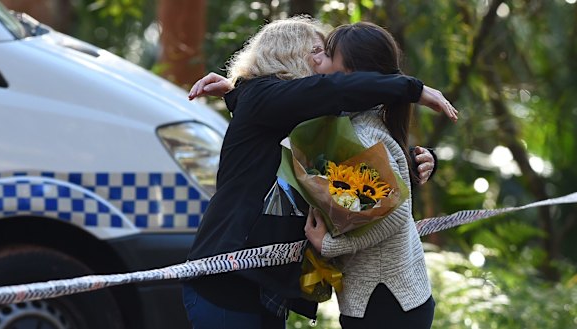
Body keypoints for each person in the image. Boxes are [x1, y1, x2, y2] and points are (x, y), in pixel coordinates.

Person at [184, 16, 457, 329]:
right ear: (289, 55)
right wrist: (410, 88)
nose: (321, 60)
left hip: (265, 286)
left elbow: (354, 178)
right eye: (316, 50)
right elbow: (329, 90)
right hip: (228, 283)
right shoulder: (263, 97)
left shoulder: (287, 111)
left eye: (326, 52)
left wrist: (416, 161)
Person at [303, 22, 437, 328]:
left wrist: (332, 246)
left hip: (383, 301)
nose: (317, 62)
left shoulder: (360, 136)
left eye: (326, 54)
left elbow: (395, 213)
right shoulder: (372, 121)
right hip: (397, 295)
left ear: (349, 74)